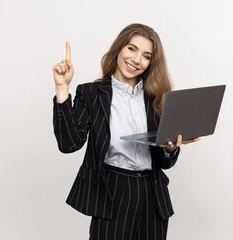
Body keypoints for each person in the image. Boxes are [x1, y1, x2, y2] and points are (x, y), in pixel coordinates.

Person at [52, 23, 200, 240]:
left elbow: (164, 162)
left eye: (146, 55)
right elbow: (68, 144)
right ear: (119, 48)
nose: (136, 60)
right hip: (113, 191)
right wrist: (62, 88)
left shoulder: (157, 97)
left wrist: (169, 149)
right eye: (132, 49)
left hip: (153, 193)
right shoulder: (91, 93)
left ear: (151, 63)